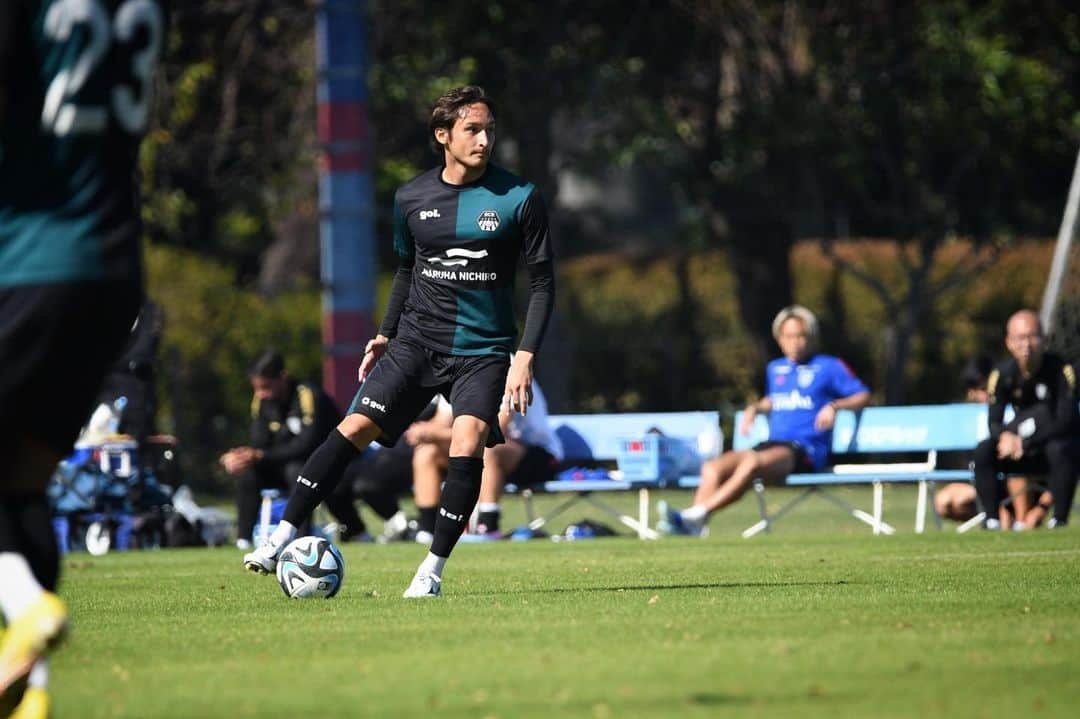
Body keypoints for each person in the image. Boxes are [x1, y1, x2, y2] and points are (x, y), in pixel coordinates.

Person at [242, 85, 556, 599]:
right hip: (416, 341)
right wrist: (385, 333)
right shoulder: (411, 198)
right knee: (353, 427)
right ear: (443, 136)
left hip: (483, 350)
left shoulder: (519, 197)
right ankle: (280, 535)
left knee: (467, 438)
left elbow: (543, 284)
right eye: (472, 129)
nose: (484, 140)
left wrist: (524, 356)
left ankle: (431, 568)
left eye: (489, 130)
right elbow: (407, 269)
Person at [0, 1, 166, 714]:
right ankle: (31, 691)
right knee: (21, 481)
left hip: (31, 264)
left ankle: (27, 605)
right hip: (114, 272)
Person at [659, 305, 870, 536]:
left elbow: (862, 394)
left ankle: (693, 515)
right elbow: (775, 400)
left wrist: (834, 406)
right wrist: (756, 407)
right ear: (779, 339)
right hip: (771, 445)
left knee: (751, 462)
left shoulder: (829, 366)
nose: (796, 342)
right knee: (712, 467)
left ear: (811, 337)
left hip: (804, 450)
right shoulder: (775, 368)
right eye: (789, 336)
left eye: (801, 336)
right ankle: (694, 527)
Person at [221, 351, 340, 549]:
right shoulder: (261, 400)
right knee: (248, 474)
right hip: (279, 465)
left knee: (297, 471)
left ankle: (299, 540)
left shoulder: (306, 395)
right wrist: (241, 456)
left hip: (314, 465)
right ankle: (243, 540)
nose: (261, 393)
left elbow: (308, 444)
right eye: (257, 388)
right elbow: (258, 441)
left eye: (266, 387)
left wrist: (260, 455)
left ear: (282, 377)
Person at [973, 310, 1079, 530]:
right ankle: (992, 520)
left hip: (1051, 449)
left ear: (1044, 339)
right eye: (1020, 338)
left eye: (1032, 336)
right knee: (984, 450)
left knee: (1061, 449)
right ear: (1009, 342)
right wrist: (1004, 436)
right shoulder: (1001, 374)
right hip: (1019, 451)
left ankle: (1059, 519)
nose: (1026, 345)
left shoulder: (1061, 370)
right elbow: (994, 422)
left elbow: (1067, 421)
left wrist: (1026, 441)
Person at [934, 353, 1044, 529]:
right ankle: (994, 519)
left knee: (1014, 474)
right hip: (981, 481)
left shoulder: (1013, 409)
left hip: (1014, 477)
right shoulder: (974, 416)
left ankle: (1014, 521)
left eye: (982, 388)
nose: (974, 395)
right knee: (943, 501)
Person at [467, 375, 563, 540]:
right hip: (509, 456)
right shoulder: (465, 368)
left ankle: (488, 526)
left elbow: (497, 431)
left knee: (489, 448)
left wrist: (436, 434)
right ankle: (430, 529)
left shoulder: (510, 369)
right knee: (430, 451)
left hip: (543, 457)